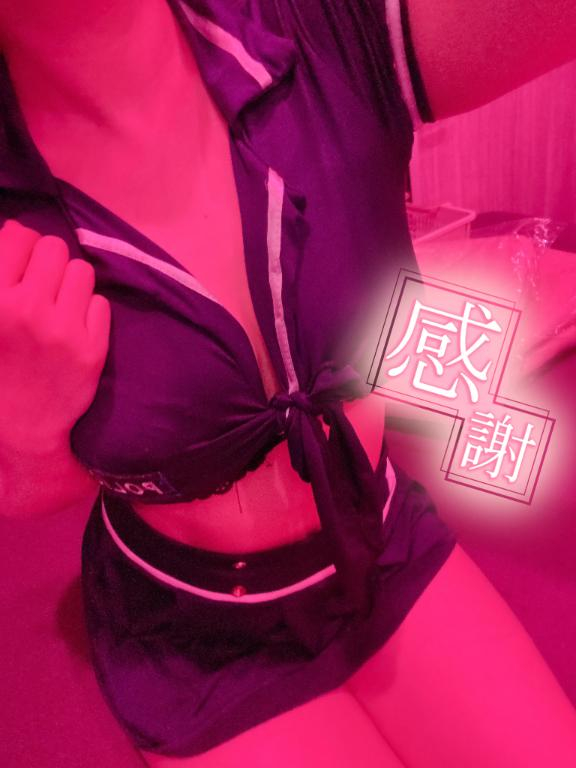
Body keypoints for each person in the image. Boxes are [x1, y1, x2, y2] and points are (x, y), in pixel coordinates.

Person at [1, 1, 576, 765]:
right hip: (194, 634)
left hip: (381, 540)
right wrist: (26, 431)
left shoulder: (325, 25)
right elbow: (24, 491)